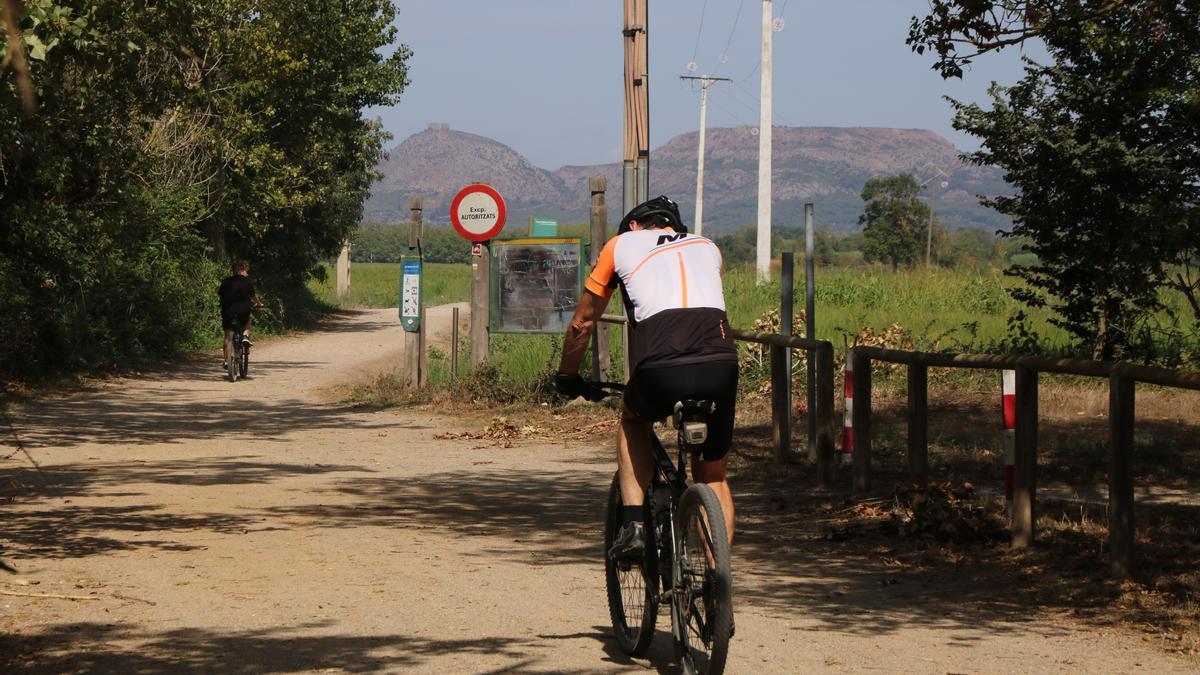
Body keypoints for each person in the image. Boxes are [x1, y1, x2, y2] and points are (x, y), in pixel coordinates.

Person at [554, 195, 738, 562]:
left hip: (660, 366)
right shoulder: (708, 246)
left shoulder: (620, 245)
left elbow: (581, 323)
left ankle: (635, 524)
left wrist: (568, 375)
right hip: (721, 363)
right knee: (713, 474)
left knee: (633, 420)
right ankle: (719, 585)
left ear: (635, 225)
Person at [217, 260, 261, 369]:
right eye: (246, 271)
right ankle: (245, 336)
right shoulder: (247, 282)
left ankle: (226, 361)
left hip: (227, 311)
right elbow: (253, 296)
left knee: (227, 336)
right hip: (243, 310)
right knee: (247, 321)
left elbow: (220, 294)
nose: (247, 273)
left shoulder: (226, 281)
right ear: (242, 270)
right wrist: (259, 304)